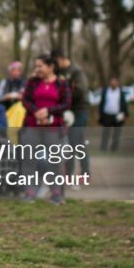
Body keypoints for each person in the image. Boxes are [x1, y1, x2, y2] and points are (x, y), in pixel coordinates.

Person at [21, 55, 72, 204]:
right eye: (35, 66)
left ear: (51, 67)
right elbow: (25, 100)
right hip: (32, 126)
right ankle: (29, 192)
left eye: (40, 66)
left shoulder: (62, 84)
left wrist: (48, 111)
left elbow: (66, 103)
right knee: (29, 159)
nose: (37, 69)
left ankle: (56, 193)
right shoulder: (32, 82)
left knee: (55, 161)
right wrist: (36, 111)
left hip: (54, 128)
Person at [51, 49, 90, 179]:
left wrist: (65, 98)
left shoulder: (76, 71)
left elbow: (80, 90)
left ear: (60, 58)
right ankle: (68, 172)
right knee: (67, 143)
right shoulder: (58, 72)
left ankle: (85, 172)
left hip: (79, 111)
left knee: (77, 141)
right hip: (65, 111)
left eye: (55, 62)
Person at [99, 77, 128, 152]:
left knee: (116, 133)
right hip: (107, 115)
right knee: (106, 133)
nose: (113, 84)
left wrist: (125, 114)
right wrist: (101, 114)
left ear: (117, 83)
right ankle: (103, 148)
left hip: (117, 115)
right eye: (112, 82)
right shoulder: (106, 91)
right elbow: (101, 103)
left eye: (115, 82)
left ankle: (114, 148)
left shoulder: (120, 92)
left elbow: (124, 104)